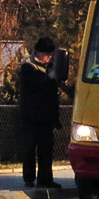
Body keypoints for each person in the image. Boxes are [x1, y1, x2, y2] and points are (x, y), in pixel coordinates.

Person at [18, 37, 63, 189]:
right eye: (46, 54)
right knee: (29, 148)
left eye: (51, 55)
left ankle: (45, 179)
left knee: (46, 149)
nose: (48, 57)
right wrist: (48, 77)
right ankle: (29, 178)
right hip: (30, 117)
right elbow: (34, 83)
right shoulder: (28, 66)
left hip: (46, 117)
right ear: (37, 52)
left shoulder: (50, 67)